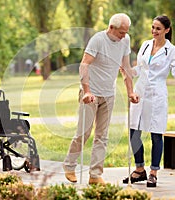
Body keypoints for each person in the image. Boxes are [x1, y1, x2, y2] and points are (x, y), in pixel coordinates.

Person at [63, 13, 139, 185]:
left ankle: (95, 174)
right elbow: (84, 64)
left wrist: (130, 92)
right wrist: (87, 91)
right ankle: (69, 165)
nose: (124, 36)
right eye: (121, 32)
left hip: (109, 94)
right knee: (84, 133)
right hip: (91, 94)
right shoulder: (97, 40)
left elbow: (125, 67)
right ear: (111, 28)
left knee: (102, 136)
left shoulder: (125, 41)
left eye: (126, 32)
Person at [120, 15, 175, 187]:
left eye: (158, 29)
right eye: (153, 28)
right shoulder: (146, 44)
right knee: (134, 132)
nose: (154, 31)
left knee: (156, 133)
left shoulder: (172, 50)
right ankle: (139, 170)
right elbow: (139, 68)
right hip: (140, 92)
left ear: (167, 30)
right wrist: (127, 70)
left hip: (157, 95)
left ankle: (153, 172)